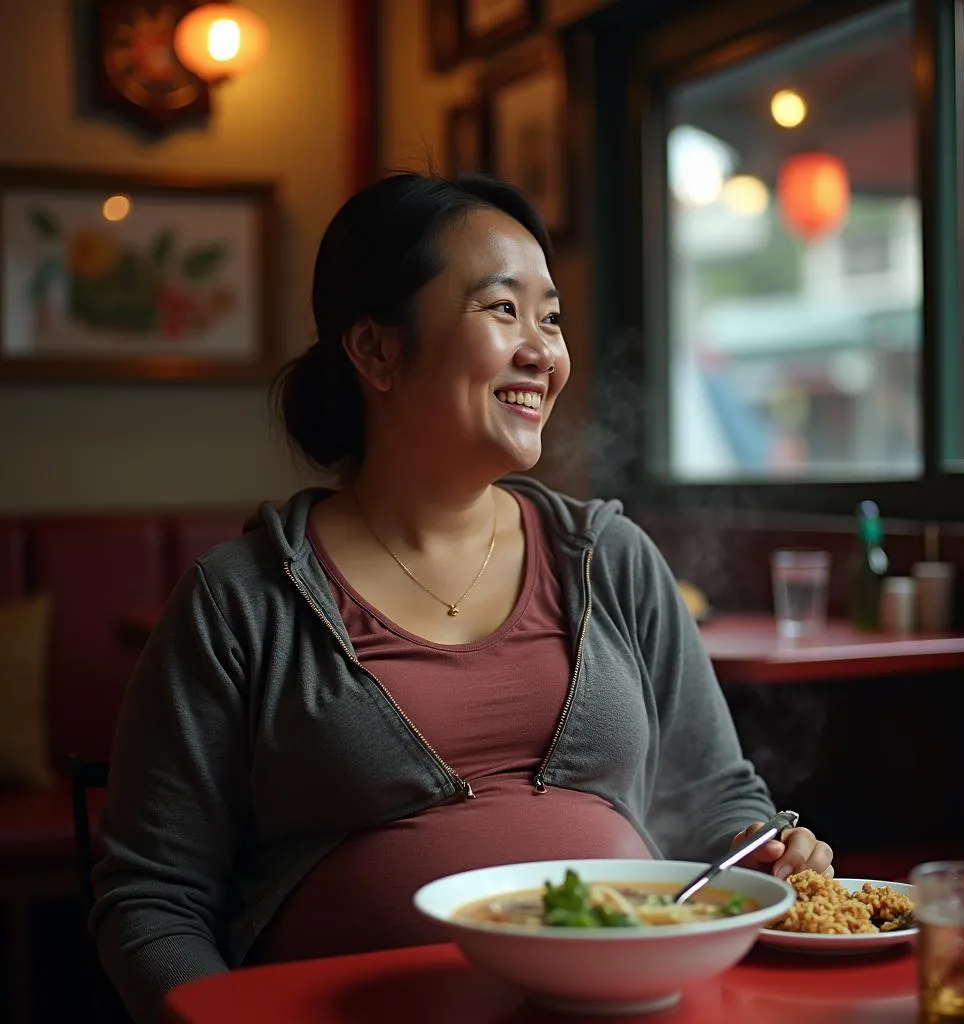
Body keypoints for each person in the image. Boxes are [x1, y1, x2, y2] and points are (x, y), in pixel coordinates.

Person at [90, 171, 833, 1022]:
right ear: (375, 350)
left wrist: (762, 852)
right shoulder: (239, 602)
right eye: (501, 309)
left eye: (550, 317)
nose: (542, 350)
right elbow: (151, 900)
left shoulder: (611, 559)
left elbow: (720, 804)